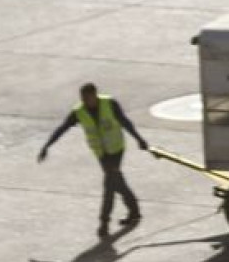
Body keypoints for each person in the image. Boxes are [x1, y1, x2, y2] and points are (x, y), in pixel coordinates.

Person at [38, 82, 149, 240]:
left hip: (116, 149)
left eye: (88, 98)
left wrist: (139, 139)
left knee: (109, 185)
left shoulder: (109, 103)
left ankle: (104, 222)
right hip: (101, 153)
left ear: (95, 95)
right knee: (116, 182)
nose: (85, 101)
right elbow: (62, 128)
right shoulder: (79, 111)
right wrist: (47, 145)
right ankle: (134, 211)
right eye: (82, 98)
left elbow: (125, 122)